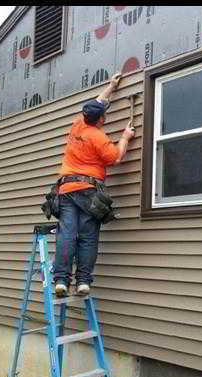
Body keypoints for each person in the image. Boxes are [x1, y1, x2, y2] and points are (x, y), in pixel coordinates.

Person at [53, 72, 136, 297]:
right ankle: (83, 282)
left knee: (67, 234)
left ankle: (61, 280)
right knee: (88, 236)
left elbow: (98, 102)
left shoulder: (78, 124)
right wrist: (125, 137)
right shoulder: (99, 138)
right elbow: (116, 158)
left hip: (66, 190)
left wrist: (111, 86)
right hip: (88, 192)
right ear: (101, 119)